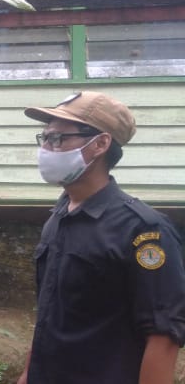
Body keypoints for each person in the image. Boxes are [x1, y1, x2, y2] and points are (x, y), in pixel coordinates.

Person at [17, 91, 185, 384]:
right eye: (44, 138)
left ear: (100, 144)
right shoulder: (59, 215)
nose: (47, 148)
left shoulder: (143, 230)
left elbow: (163, 337)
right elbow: (50, 314)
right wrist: (27, 374)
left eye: (58, 138)